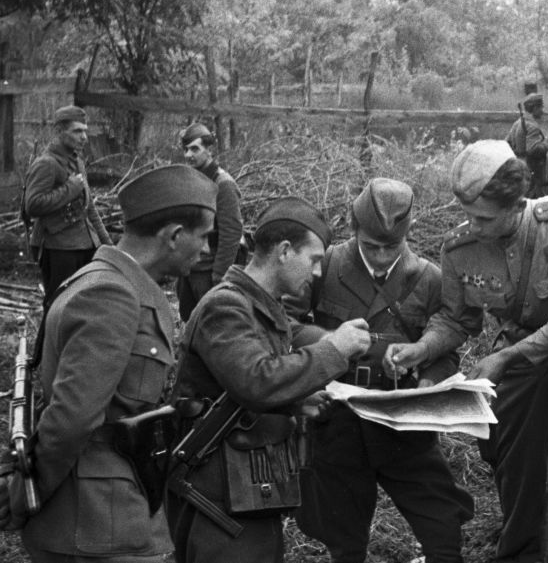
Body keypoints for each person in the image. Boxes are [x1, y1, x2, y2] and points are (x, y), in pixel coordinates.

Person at [386, 140, 548, 563]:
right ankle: (524, 544)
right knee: (513, 443)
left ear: (517, 203)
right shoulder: (459, 249)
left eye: (483, 218)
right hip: (521, 350)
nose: (473, 226)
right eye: (468, 215)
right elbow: (456, 321)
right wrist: (420, 348)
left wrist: (510, 355)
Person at [0, 164, 218, 562]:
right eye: (204, 237)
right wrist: (25, 495)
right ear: (173, 236)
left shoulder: (110, 283)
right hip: (96, 522)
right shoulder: (111, 295)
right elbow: (71, 419)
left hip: (111, 511)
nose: (206, 250)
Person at [165, 196, 372, 563]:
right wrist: (334, 349)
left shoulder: (259, 303)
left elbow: (234, 384)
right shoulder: (225, 305)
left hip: (243, 489)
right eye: (315, 260)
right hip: (217, 497)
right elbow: (256, 381)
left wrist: (294, 401)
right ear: (285, 251)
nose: (318, 273)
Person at [292, 177, 474, 563]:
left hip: (404, 426)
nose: (378, 256)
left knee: (441, 523)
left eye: (390, 247)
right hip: (338, 418)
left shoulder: (428, 278)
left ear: (405, 237)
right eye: (370, 246)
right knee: (343, 533)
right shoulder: (326, 265)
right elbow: (283, 323)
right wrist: (330, 340)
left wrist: (427, 379)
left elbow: (447, 350)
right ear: (353, 229)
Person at [24, 105, 113, 308]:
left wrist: (107, 244)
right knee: (57, 306)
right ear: (58, 132)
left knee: (83, 306)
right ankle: (46, 341)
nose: (84, 137)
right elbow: (33, 205)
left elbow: (89, 208)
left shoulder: (77, 161)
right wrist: (70, 189)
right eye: (77, 131)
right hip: (59, 249)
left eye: (85, 130)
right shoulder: (46, 163)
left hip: (85, 246)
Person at [176, 122, 244, 321]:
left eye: (195, 149)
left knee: (211, 323)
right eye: (186, 149)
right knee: (189, 320)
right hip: (189, 268)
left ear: (210, 150)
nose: (189, 155)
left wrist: (220, 276)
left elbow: (232, 233)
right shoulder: (191, 179)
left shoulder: (223, 184)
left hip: (208, 270)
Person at [506, 93, 548, 198]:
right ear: (534, 108)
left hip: (518, 167)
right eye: (541, 107)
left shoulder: (517, 123)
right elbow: (533, 149)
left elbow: (507, 143)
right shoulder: (532, 126)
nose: (542, 111)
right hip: (532, 170)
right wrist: (546, 143)